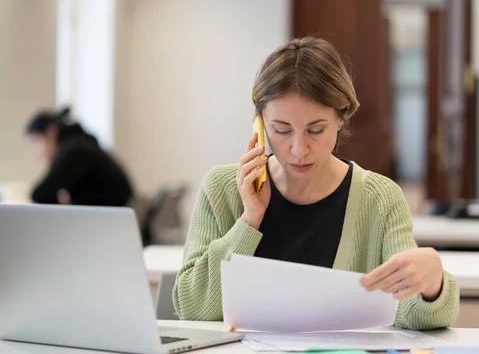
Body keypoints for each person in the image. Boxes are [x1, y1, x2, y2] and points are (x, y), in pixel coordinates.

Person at [172, 37, 460, 330]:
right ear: (259, 124)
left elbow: (413, 314)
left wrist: (432, 286)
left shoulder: (380, 198)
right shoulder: (222, 188)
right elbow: (191, 307)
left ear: (341, 118)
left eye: (316, 130)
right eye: (281, 130)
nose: (299, 149)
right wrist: (249, 221)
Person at [26, 107, 133, 207]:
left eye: (36, 141)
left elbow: (40, 195)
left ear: (51, 132)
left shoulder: (74, 151)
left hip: (113, 218)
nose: (37, 151)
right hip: (113, 214)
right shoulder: (80, 143)